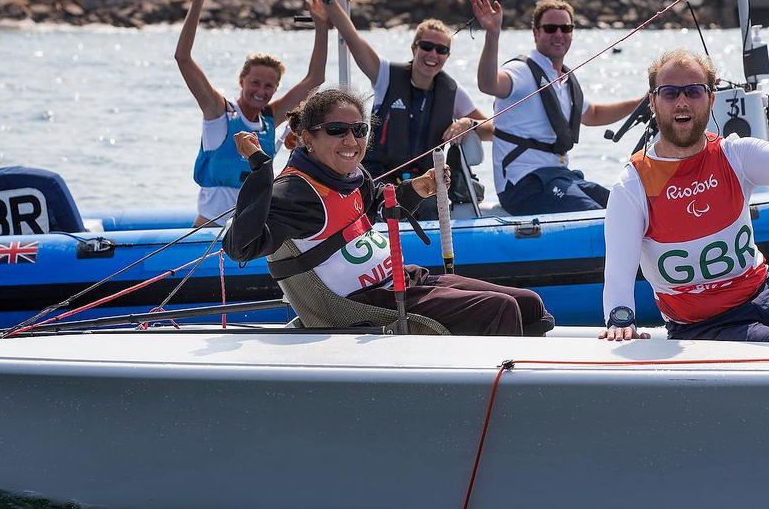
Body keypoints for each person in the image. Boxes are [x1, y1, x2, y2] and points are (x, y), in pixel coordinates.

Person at [223, 88, 555, 337]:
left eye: (359, 130)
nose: (351, 139)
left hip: (401, 281)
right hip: (366, 302)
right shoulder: (295, 193)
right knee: (501, 310)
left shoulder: (352, 177)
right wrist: (260, 167)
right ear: (308, 138)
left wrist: (419, 188)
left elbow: (375, 208)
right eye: (337, 130)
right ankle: (497, 401)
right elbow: (241, 247)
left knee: (529, 303)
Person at [600, 49, 769, 344]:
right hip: (702, 326)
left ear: (711, 99)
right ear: (653, 102)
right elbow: (618, 272)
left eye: (693, 91)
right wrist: (619, 319)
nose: (682, 101)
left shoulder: (735, 155)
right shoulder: (633, 184)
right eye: (670, 93)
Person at [308, 0, 492, 219]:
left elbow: (491, 128)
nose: (433, 54)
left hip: (424, 187)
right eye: (427, 46)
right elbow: (351, 36)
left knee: (429, 205)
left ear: (447, 57)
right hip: (378, 182)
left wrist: (467, 123)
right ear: (414, 48)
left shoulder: (450, 92)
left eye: (441, 50)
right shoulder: (385, 75)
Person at [176, 0, 330, 227]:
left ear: (275, 90)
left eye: (268, 86)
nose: (261, 91)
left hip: (250, 235)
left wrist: (320, 24)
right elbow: (183, 58)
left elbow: (315, 78)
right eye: (255, 82)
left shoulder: (270, 119)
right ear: (242, 81)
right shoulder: (217, 112)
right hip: (210, 233)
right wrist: (198, 2)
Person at [471, 0, 645, 215]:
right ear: (535, 32)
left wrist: (641, 102)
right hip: (523, 185)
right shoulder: (522, 71)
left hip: (560, 177)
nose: (559, 34)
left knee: (626, 208)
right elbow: (488, 84)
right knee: (593, 214)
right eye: (551, 28)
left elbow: (593, 114)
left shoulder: (564, 78)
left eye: (566, 28)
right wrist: (492, 34)